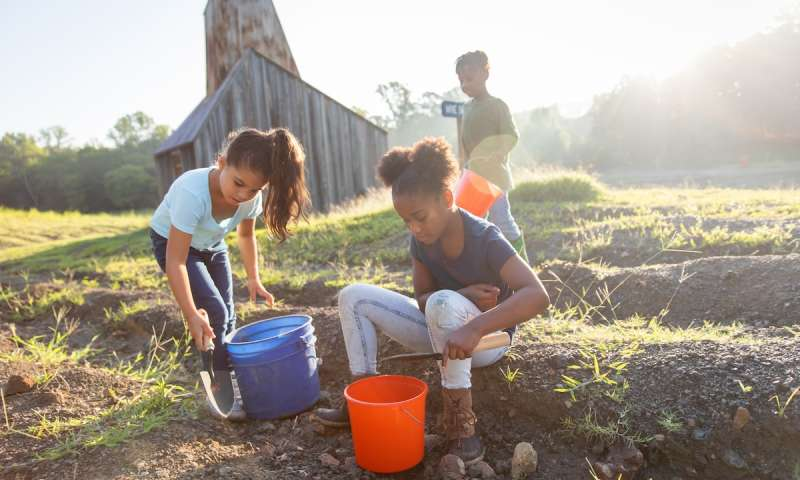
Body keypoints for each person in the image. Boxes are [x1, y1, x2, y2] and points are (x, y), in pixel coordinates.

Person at [314, 137, 549, 464]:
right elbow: (423, 298)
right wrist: (462, 296)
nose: (414, 228)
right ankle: (360, 401)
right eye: (406, 221)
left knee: (442, 303)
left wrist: (475, 327)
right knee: (353, 296)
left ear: (448, 198)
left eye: (420, 217)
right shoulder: (422, 243)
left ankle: (461, 427)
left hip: (486, 341)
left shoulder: (485, 238)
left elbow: (537, 295)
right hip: (442, 328)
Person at [149, 127, 309, 418]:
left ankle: (227, 370)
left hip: (212, 244)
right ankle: (217, 386)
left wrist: (253, 278)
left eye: (254, 189)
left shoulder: (249, 199)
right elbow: (177, 261)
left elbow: (246, 237)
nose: (243, 194)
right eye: (238, 183)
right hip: (173, 244)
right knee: (213, 310)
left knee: (228, 314)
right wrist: (190, 313)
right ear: (221, 162)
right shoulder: (192, 193)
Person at [456, 50, 529, 262]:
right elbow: (465, 145)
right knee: (469, 222)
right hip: (472, 177)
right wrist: (464, 169)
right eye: (461, 81)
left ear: (485, 74)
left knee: (502, 221)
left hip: (495, 176)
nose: (465, 85)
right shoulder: (466, 109)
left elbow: (511, 135)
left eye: (469, 79)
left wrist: (497, 154)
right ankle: (482, 267)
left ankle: (523, 263)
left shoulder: (497, 105)